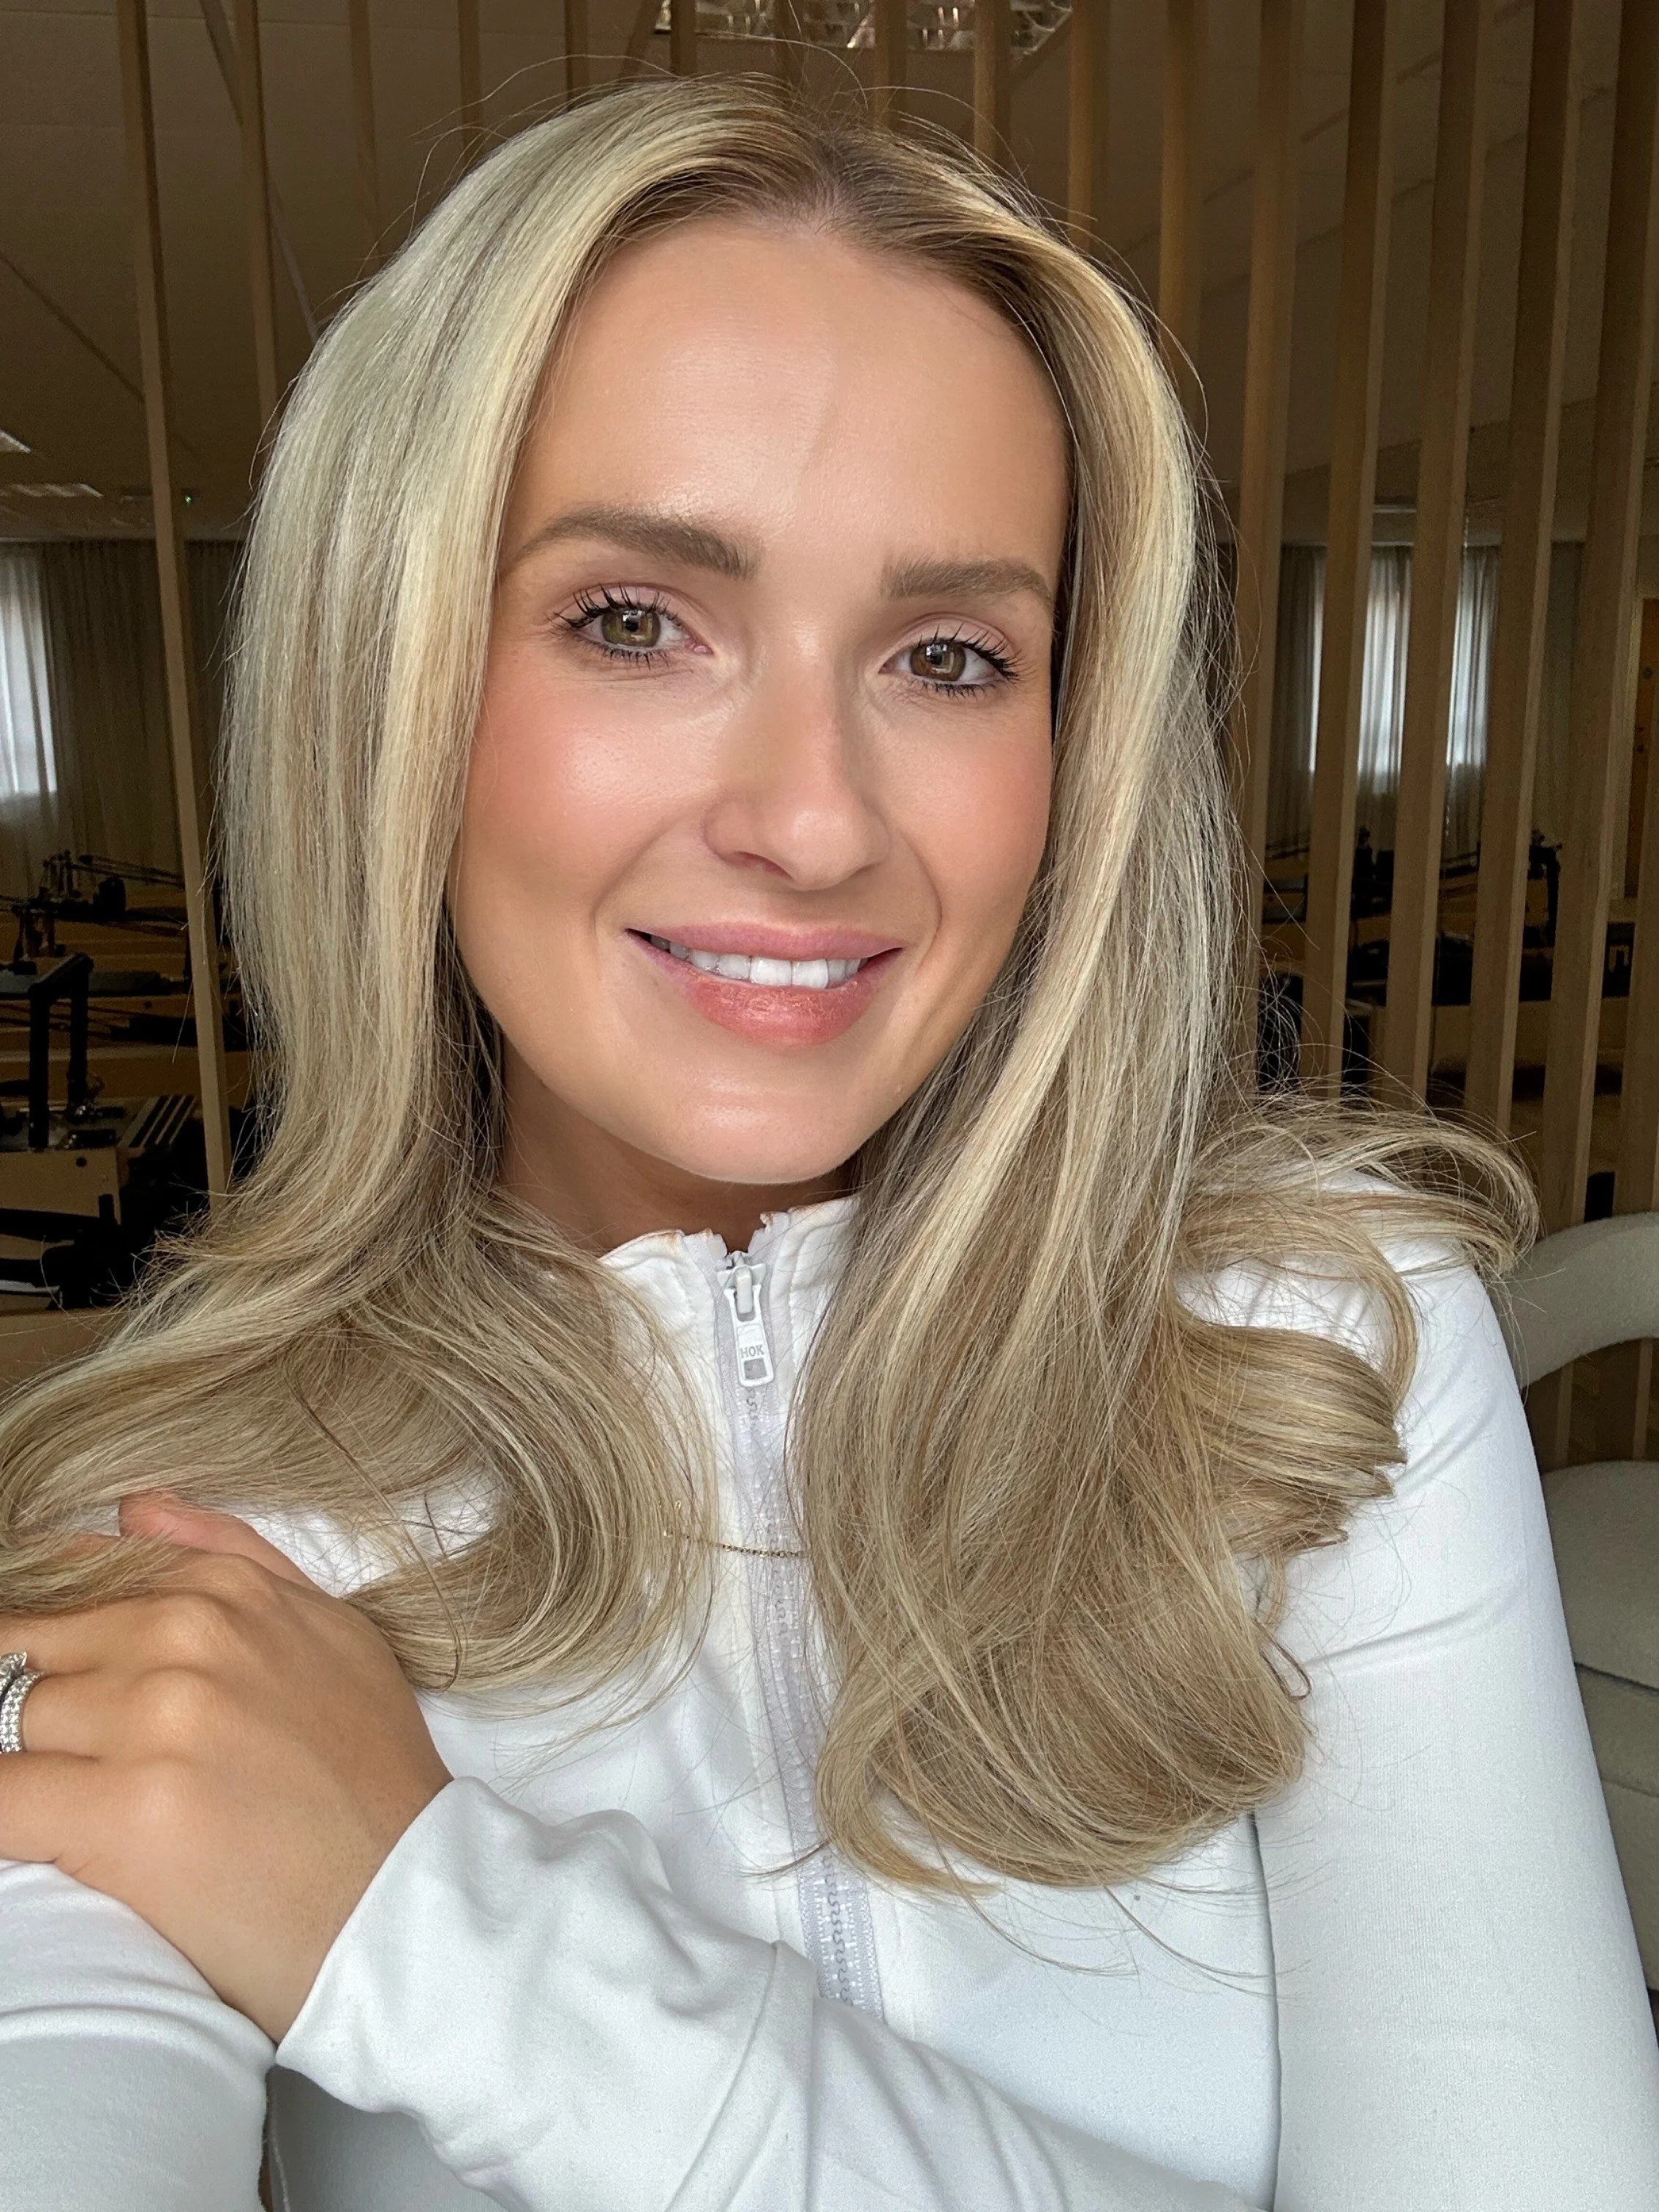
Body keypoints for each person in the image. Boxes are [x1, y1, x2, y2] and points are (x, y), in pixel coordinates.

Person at [0, 78, 1655, 2212]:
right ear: (383, 677)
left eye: (949, 656)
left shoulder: (1323, 1355)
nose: (811, 815)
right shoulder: (187, 1522)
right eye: (634, 621)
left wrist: (435, 1934)